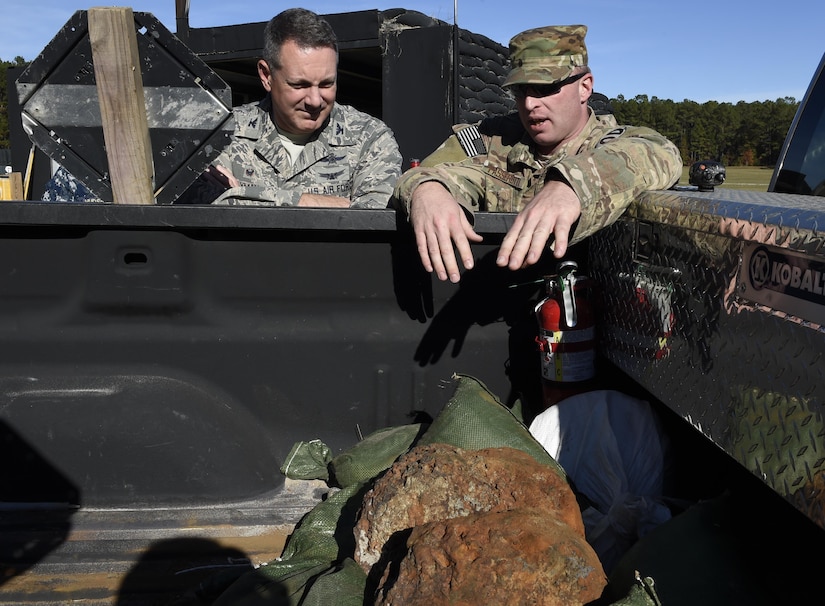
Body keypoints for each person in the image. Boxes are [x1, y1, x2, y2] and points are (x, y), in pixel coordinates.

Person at [393, 25, 683, 282]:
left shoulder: (607, 144)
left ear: (584, 88)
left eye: (545, 89)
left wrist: (571, 185)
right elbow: (437, 172)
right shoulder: (494, 140)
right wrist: (426, 189)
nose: (530, 103)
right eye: (521, 91)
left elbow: (659, 153)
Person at [192, 8, 402, 208]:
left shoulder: (369, 137)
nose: (315, 100)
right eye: (299, 85)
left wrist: (244, 197)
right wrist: (337, 206)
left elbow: (373, 220)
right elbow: (200, 207)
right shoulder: (223, 134)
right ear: (267, 76)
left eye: (326, 84)